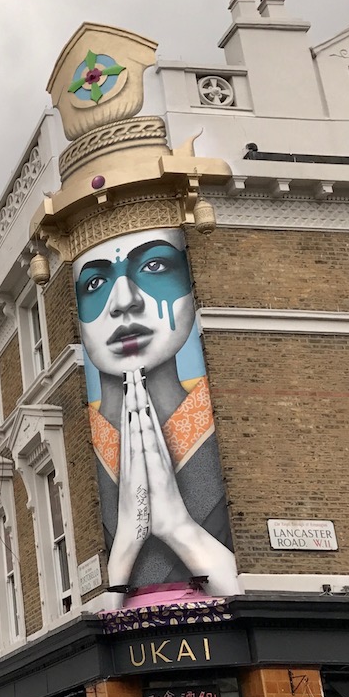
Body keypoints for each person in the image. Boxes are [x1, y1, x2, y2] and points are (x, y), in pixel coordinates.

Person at [73, 227, 238, 598]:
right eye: (95, 282)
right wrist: (124, 548)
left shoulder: (222, 423)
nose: (124, 301)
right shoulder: (84, 450)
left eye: (155, 266)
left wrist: (180, 529)